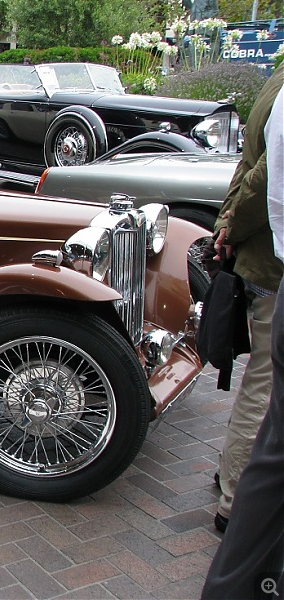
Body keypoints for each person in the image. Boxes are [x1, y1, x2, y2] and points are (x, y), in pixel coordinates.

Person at [200, 82, 284, 600]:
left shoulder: (275, 84)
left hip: (261, 250)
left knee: (265, 382)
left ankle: (235, 479)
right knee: (266, 385)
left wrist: (229, 224)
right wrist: (231, 224)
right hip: (269, 258)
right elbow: (262, 179)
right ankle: (235, 494)